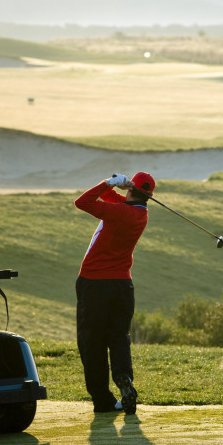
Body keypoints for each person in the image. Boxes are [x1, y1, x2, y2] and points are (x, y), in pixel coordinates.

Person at [73, 171, 156, 415]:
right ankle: (124, 378)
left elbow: (83, 202)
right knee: (119, 337)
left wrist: (108, 182)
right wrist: (115, 185)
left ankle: (103, 401)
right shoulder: (140, 213)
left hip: (95, 285)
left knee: (92, 343)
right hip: (122, 286)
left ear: (131, 189)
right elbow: (112, 199)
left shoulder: (120, 212)